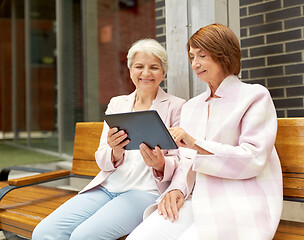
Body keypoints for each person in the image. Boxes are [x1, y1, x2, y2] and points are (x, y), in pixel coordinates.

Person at [127, 24, 283, 240]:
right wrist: (177, 189)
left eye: (202, 55)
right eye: (192, 57)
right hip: (195, 198)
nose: (195, 64)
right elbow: (185, 162)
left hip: (238, 200)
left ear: (224, 55)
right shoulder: (192, 106)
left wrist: (194, 143)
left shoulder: (255, 96)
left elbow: (253, 157)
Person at [32, 39, 186, 240]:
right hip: (107, 187)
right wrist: (115, 151)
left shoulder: (177, 107)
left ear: (163, 73)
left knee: (83, 237)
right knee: (44, 232)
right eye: (139, 66)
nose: (146, 73)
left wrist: (160, 163)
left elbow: (183, 160)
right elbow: (101, 158)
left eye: (154, 67)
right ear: (130, 70)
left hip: (144, 193)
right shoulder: (117, 104)